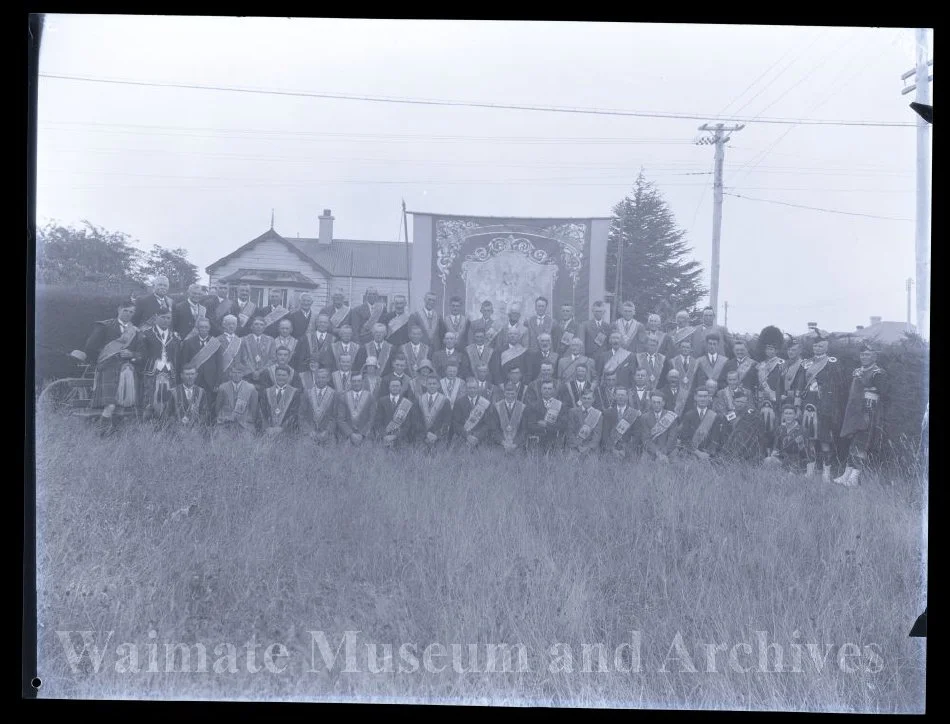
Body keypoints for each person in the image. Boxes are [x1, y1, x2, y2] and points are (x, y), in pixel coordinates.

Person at [84, 301, 140, 434]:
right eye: (126, 310)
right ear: (119, 309)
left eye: (131, 312)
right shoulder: (105, 326)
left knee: (123, 404)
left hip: (127, 371)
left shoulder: (135, 331)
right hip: (108, 369)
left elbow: (141, 351)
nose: (128, 314)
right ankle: (102, 433)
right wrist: (101, 362)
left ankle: (115, 433)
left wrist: (132, 354)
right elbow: (90, 347)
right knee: (110, 404)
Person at [835, 345, 887, 487]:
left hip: (868, 411)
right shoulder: (857, 371)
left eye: (867, 354)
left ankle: (854, 478)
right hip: (854, 411)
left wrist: (866, 386)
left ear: (874, 356)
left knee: (861, 444)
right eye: (862, 354)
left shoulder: (878, 373)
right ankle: (846, 475)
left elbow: (882, 393)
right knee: (853, 444)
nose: (864, 357)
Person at [800, 331, 845, 482]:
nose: (817, 348)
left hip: (825, 405)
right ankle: (810, 471)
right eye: (815, 346)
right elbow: (800, 385)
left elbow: (839, 385)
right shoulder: (806, 363)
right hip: (808, 403)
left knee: (825, 439)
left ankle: (826, 472)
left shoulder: (832, 362)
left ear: (826, 347)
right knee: (809, 438)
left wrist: (824, 389)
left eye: (820, 346)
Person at [131, 309, 180, 420]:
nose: (166, 320)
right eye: (163, 317)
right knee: (149, 398)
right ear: (156, 317)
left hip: (170, 371)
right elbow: (140, 354)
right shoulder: (146, 334)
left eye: (168, 318)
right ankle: (146, 425)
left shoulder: (175, 336)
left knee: (168, 399)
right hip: (151, 371)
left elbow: (176, 356)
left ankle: (165, 424)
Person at [756, 326, 786, 451]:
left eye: (772, 349)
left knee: (774, 425)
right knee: (763, 425)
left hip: (775, 398)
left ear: (777, 350)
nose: (770, 351)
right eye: (768, 349)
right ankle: (763, 451)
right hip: (762, 399)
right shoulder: (760, 365)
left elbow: (784, 383)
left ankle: (774, 450)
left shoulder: (781, 364)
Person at [675, 388, 724, 462]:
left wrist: (707, 454)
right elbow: (684, 439)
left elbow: (715, 439)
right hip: (690, 453)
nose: (702, 399)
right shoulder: (688, 415)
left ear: (709, 398)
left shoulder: (715, 416)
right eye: (700, 396)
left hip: (708, 456)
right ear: (695, 397)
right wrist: (698, 453)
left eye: (705, 396)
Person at [178, 317, 220, 397]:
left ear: (209, 328)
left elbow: (219, 364)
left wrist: (217, 383)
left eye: (206, 327)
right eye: (201, 327)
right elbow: (183, 363)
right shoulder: (188, 342)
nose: (204, 329)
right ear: (197, 328)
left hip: (210, 381)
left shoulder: (215, 343)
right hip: (193, 379)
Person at [214, 364, 259, 436]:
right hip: (225, 423)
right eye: (234, 372)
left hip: (245, 424)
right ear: (230, 373)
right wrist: (224, 418)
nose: (236, 375)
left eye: (239, 373)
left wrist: (247, 420)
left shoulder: (250, 388)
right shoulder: (223, 387)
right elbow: (218, 408)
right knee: (220, 437)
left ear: (243, 374)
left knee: (247, 438)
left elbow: (254, 410)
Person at [526, 379, 567, 454]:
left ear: (553, 390)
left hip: (555, 441)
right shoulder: (534, 406)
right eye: (544, 388)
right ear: (541, 390)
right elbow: (530, 425)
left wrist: (546, 425)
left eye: (549, 389)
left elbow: (563, 425)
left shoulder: (560, 405)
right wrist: (552, 427)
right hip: (538, 441)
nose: (547, 391)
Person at [765, 405, 809, 474]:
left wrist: (801, 445)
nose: (788, 416)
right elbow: (776, 446)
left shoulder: (802, 430)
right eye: (786, 413)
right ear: (783, 415)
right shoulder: (780, 429)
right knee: (768, 460)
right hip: (783, 460)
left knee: (789, 476)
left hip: (797, 462)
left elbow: (806, 455)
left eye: (790, 414)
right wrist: (774, 452)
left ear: (795, 416)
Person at [259, 364, 300, 437]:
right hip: (269, 431)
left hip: (287, 432)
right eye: (279, 375)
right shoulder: (266, 391)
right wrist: (268, 428)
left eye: (284, 375)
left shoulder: (295, 393)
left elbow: (294, 413)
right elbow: (262, 411)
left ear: (289, 376)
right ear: (275, 376)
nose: (281, 378)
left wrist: (282, 428)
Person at [164, 365, 210, 431]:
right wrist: (177, 424)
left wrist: (196, 425)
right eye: (187, 374)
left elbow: (204, 412)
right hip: (177, 431)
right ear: (181, 375)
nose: (190, 377)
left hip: (196, 431)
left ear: (196, 375)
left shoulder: (201, 392)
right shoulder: (173, 392)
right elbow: (168, 413)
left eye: (192, 374)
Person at [453, 378, 494, 449]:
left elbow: (487, 424)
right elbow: (456, 423)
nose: (472, 390)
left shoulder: (485, 403)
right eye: (469, 388)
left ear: (478, 388)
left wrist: (477, 436)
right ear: (466, 389)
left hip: (480, 439)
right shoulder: (459, 403)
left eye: (474, 388)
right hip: (463, 438)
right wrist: (467, 436)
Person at [335, 373, 376, 445]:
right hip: (348, 436)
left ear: (362, 382)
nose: (356, 383)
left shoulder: (370, 396)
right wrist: (350, 434)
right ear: (350, 382)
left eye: (359, 381)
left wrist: (362, 434)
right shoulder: (344, 397)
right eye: (354, 381)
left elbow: (372, 418)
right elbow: (340, 419)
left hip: (365, 435)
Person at [414, 374, 452, 449]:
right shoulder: (419, 400)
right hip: (422, 437)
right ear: (426, 385)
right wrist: (426, 434)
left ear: (438, 385)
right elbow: (416, 420)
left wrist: (436, 435)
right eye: (429, 384)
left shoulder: (445, 401)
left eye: (434, 384)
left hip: (438, 437)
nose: (432, 386)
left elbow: (447, 421)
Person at [602, 387, 642, 459]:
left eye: (622, 395)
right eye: (618, 395)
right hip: (611, 449)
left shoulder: (634, 413)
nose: (620, 397)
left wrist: (626, 450)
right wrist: (612, 450)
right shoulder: (607, 413)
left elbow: (636, 435)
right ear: (614, 396)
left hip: (628, 450)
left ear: (627, 396)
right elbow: (605, 434)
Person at [299, 367, 337, 444]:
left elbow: (335, 416)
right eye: (318, 377)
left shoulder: (334, 394)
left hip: (326, 433)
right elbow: (301, 415)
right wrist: (309, 430)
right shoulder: (307, 393)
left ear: (328, 379)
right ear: (315, 379)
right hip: (310, 433)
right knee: (305, 446)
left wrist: (327, 431)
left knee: (330, 448)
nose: (320, 380)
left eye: (323, 377)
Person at [375, 377, 415, 449]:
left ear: (400, 387)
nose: (395, 388)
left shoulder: (406, 403)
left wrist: (395, 436)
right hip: (384, 437)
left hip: (401, 438)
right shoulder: (382, 401)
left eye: (397, 386)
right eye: (393, 386)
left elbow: (408, 424)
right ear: (389, 387)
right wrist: (384, 435)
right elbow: (378, 421)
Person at [638, 392, 678, 463]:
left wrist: (664, 452)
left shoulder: (671, 416)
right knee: (643, 465)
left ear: (663, 403)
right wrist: (657, 453)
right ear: (650, 403)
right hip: (650, 451)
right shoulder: (644, 417)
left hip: (668, 451)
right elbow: (646, 439)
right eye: (654, 402)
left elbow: (672, 438)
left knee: (675, 466)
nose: (656, 405)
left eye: (659, 402)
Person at [238, 317, 276, 389]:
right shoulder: (243, 340)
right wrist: (253, 371)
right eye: (256, 324)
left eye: (261, 325)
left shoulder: (271, 340)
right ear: (251, 326)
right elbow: (244, 358)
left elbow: (272, 359)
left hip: (265, 374)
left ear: (264, 327)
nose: (259, 326)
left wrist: (260, 371)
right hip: (248, 374)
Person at [491, 382, 528, 453]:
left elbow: (524, 430)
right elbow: (494, 429)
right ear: (504, 393)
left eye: (512, 394)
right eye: (507, 394)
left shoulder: (522, 407)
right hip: (500, 444)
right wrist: (503, 443)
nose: (510, 396)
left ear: (516, 393)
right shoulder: (497, 407)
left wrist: (515, 444)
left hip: (517, 444)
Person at [566, 388, 603, 456]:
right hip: (575, 447)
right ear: (581, 399)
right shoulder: (572, 412)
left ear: (593, 399)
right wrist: (578, 446)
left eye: (589, 398)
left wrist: (588, 447)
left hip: (591, 449)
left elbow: (597, 435)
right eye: (584, 398)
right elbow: (570, 432)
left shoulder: (598, 414)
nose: (586, 400)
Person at [782, 338, 807, 417]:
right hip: (784, 399)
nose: (790, 352)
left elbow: (801, 384)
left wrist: (797, 404)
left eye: (793, 350)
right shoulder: (784, 364)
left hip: (797, 401)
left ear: (800, 351)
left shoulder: (804, 365)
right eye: (789, 350)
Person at [217, 314, 243, 381]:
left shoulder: (240, 340)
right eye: (229, 324)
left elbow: (243, 358)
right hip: (223, 374)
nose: (231, 326)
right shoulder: (217, 340)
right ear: (224, 325)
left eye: (233, 324)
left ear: (236, 326)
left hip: (238, 375)